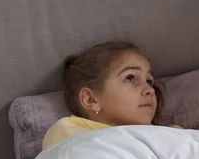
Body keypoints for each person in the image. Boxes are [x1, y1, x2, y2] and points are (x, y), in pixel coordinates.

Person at [43, 41, 180, 149]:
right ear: (91, 100)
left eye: (149, 81)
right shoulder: (68, 130)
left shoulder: (172, 134)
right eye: (130, 78)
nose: (150, 90)